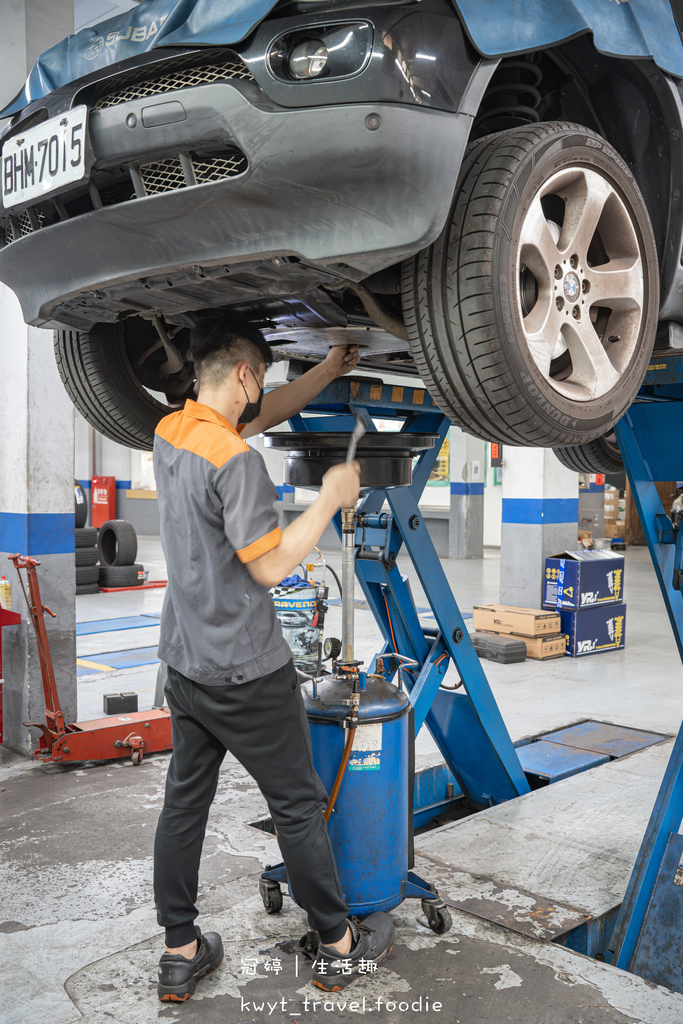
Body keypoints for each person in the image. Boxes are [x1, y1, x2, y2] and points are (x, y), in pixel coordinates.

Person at [152, 319, 395, 1002]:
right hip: (245, 671)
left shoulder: (172, 433)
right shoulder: (237, 462)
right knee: (296, 806)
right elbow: (270, 565)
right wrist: (328, 497)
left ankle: (180, 951)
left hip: (186, 661)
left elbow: (252, 420)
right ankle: (340, 945)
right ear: (245, 375)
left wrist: (321, 372)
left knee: (183, 804)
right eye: (260, 379)